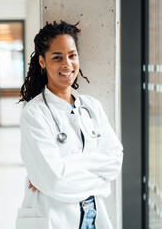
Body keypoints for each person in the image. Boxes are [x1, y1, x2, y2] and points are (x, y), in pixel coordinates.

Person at [16, 21, 123, 229]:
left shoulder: (92, 107)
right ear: (42, 61)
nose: (67, 64)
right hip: (53, 217)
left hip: (92, 216)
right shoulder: (35, 113)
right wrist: (101, 181)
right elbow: (54, 180)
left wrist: (66, 166)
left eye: (72, 55)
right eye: (57, 57)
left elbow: (115, 162)